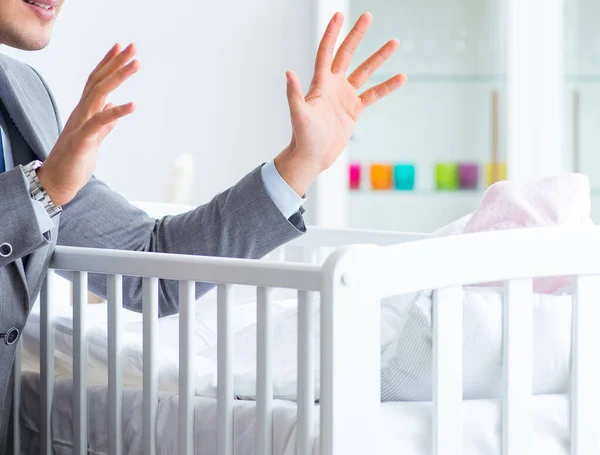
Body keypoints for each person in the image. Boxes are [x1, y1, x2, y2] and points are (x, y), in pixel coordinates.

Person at [0, 0, 406, 450]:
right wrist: (44, 189)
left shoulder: (25, 93)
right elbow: (45, 191)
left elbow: (149, 263)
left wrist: (298, 166)